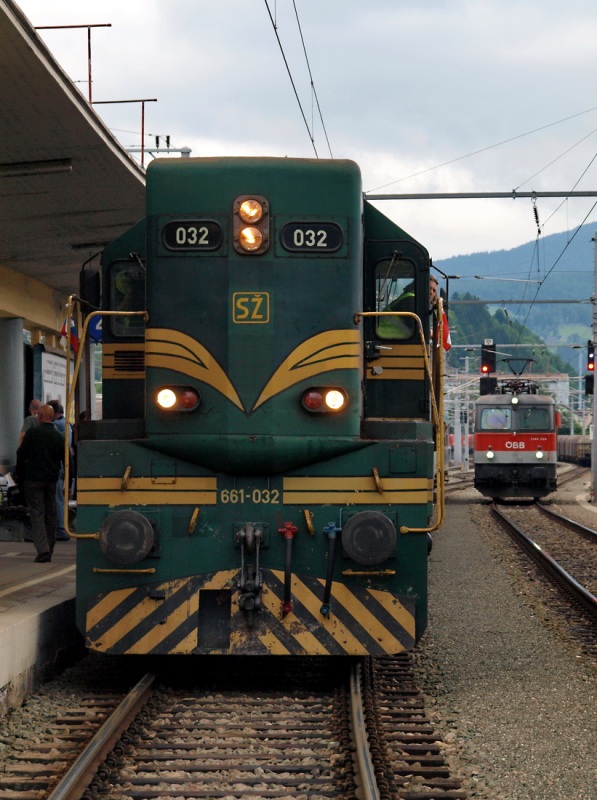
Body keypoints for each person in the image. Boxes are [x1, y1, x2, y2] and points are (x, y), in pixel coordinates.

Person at [15, 404, 64, 562]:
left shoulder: (32, 433)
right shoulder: (59, 436)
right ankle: (50, 547)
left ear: (41, 417)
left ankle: (43, 550)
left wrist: (19, 476)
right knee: (51, 514)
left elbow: (21, 455)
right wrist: (68, 479)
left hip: (33, 480)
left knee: (37, 513)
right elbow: (67, 459)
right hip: (51, 480)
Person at [48, 400, 72, 540]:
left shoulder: (56, 426)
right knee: (59, 498)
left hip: (57, 466)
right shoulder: (67, 425)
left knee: (57, 499)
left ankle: (61, 530)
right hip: (63, 465)